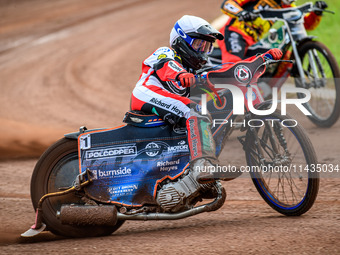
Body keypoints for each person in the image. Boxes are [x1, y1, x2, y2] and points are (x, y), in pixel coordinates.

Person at [130, 15, 282, 183]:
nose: (203, 50)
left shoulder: (194, 68)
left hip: (170, 101)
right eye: (198, 44)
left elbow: (227, 70)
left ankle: (196, 165)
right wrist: (181, 74)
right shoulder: (166, 53)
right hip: (147, 94)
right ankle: (202, 165)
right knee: (194, 109)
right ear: (181, 41)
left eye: (207, 46)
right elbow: (167, 65)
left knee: (213, 104)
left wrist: (261, 58)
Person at [218, 0, 328, 64]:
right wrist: (241, 13)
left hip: (253, 42)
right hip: (235, 33)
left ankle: (265, 92)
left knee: (285, 59)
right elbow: (227, 4)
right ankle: (225, 94)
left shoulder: (286, 5)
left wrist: (316, 13)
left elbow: (306, 24)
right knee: (233, 65)